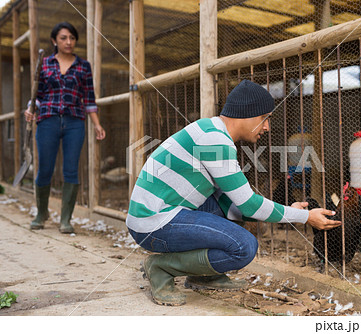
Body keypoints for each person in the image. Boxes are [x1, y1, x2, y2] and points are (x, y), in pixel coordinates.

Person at [126, 80, 341, 306]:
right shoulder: (215, 140)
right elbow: (248, 204)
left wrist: (288, 211)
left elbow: (233, 203)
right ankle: (160, 267)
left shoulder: (211, 130)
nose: (267, 126)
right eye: (264, 118)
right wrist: (305, 217)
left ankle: (204, 274)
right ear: (247, 115)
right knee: (243, 247)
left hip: (164, 213)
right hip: (153, 223)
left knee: (228, 212)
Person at [25, 22, 105, 233]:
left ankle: (65, 220)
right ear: (54, 41)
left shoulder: (83, 66)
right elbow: (38, 95)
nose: (68, 42)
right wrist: (30, 109)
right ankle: (42, 214)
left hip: (74, 122)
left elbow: (89, 98)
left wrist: (96, 124)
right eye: (63, 38)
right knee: (45, 169)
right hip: (48, 120)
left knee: (71, 170)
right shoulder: (45, 64)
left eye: (71, 37)